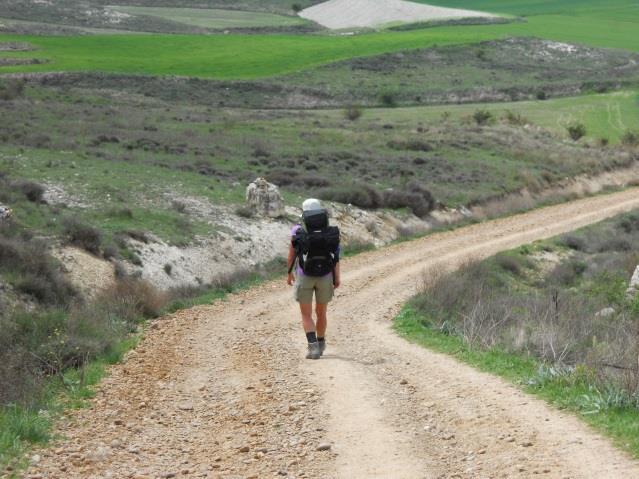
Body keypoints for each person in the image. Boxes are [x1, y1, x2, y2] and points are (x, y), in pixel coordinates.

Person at [287, 198, 341, 360]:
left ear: (304, 212)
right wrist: (336, 277)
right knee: (321, 313)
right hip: (325, 276)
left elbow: (292, 254)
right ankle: (321, 343)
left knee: (306, 314)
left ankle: (313, 349)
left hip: (305, 276)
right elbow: (336, 257)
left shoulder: (297, 230)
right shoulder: (331, 232)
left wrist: (289, 273)